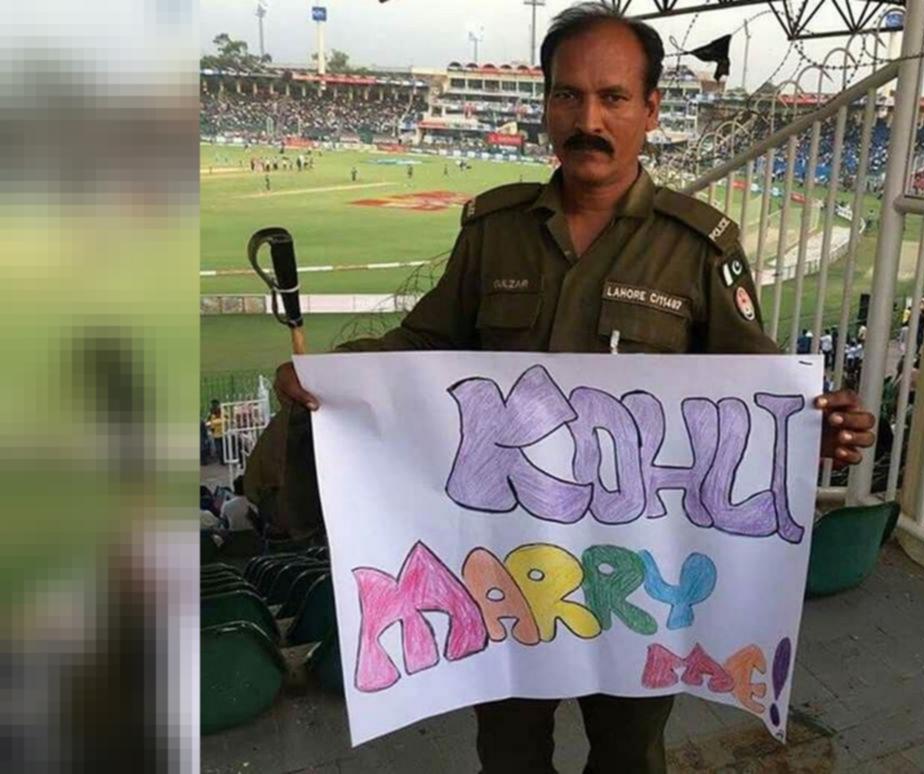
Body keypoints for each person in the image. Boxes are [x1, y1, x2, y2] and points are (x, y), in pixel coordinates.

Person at [271, 4, 876, 772]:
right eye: (568, 95)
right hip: (502, 571)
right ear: (547, 104)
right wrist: (331, 377)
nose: (588, 120)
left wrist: (814, 427)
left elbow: (759, 396)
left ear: (651, 109)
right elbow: (423, 344)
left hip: (633, 581)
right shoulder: (494, 232)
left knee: (630, 753)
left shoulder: (696, 248)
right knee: (508, 751)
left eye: (613, 97)